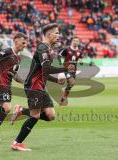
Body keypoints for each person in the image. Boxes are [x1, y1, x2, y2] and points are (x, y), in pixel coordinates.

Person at [11, 23, 75, 151]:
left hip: (40, 85)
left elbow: (43, 72)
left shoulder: (47, 49)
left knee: (50, 115)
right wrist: (64, 68)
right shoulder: (42, 47)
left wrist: (56, 80)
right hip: (33, 85)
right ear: (49, 34)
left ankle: (21, 111)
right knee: (35, 116)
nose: (58, 35)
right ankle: (17, 143)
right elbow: (46, 68)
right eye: (56, 33)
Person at [58, 37, 83, 106]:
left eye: (77, 41)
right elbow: (59, 55)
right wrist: (60, 62)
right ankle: (63, 99)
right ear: (72, 41)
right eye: (74, 41)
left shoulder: (79, 52)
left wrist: (81, 62)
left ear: (78, 43)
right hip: (66, 69)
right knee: (72, 82)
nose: (75, 42)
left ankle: (62, 99)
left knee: (70, 85)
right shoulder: (67, 49)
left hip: (73, 71)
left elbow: (80, 59)